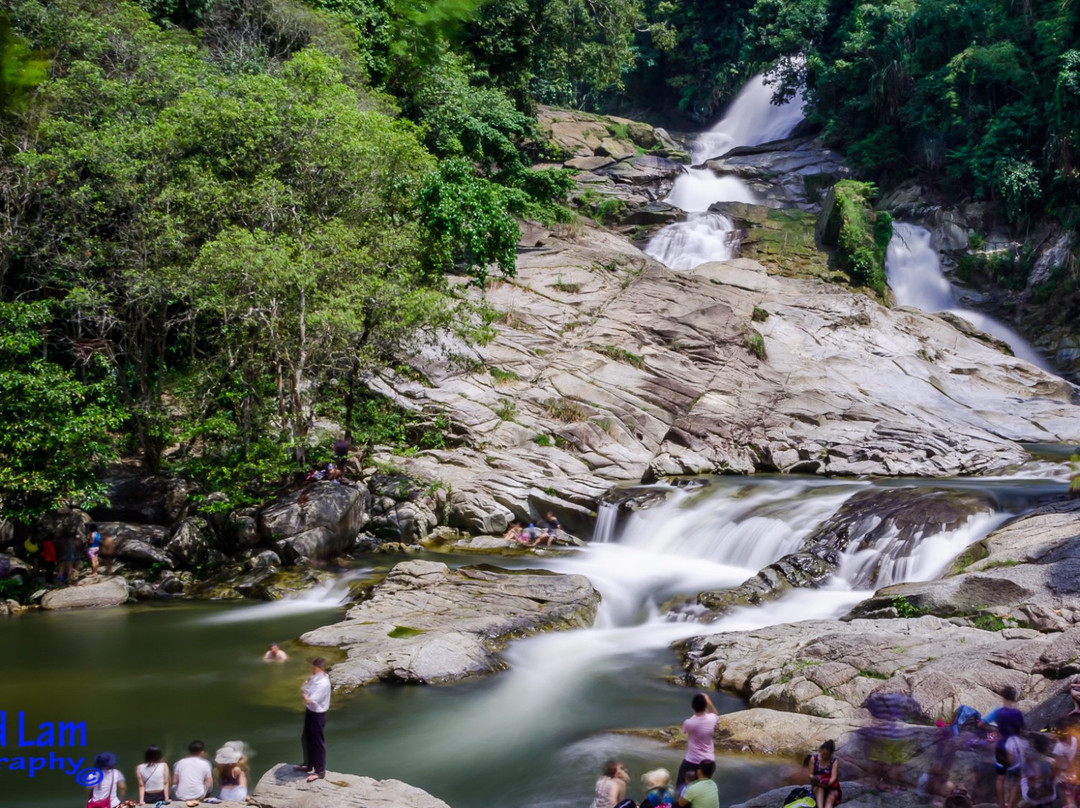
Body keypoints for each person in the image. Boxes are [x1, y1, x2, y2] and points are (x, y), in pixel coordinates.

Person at [984, 686, 1025, 808]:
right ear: (1014, 698)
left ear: (1003, 697)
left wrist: (995, 731)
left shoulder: (998, 712)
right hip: (1013, 748)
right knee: (1018, 778)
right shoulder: (1017, 713)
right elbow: (1021, 730)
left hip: (1000, 747)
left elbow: (981, 724)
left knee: (1000, 778)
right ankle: (1011, 805)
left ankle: (1002, 806)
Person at [296, 657, 331, 782]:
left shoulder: (323, 683)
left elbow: (308, 698)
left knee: (317, 743)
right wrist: (305, 690)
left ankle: (320, 771)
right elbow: (307, 687)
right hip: (310, 711)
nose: (311, 669)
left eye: (314, 668)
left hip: (318, 715)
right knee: (306, 738)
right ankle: (308, 764)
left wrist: (303, 692)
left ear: (320, 669)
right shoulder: (316, 677)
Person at [677, 693, 719, 790]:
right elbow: (715, 713)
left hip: (692, 761)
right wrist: (709, 702)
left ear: (692, 707)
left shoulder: (689, 723)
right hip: (709, 761)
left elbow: (684, 731)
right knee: (702, 789)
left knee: (681, 787)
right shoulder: (712, 718)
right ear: (705, 705)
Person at [808, 740, 842, 808]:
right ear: (821, 750)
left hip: (831, 786)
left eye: (827, 755)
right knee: (820, 789)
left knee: (829, 800)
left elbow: (834, 777)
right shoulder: (814, 758)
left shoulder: (834, 761)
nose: (825, 756)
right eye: (823, 753)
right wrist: (815, 778)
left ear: (831, 753)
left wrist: (827, 784)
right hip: (818, 786)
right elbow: (810, 774)